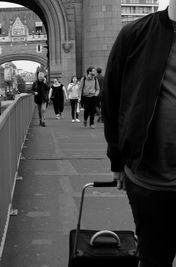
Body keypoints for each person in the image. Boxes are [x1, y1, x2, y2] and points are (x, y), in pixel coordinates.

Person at [103, 3, 176, 267]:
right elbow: (111, 100)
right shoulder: (134, 34)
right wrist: (117, 159)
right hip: (149, 182)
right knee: (155, 259)